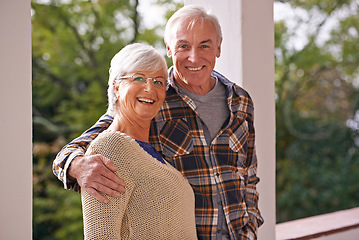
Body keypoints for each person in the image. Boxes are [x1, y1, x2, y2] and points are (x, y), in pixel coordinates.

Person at [53, 5, 263, 240]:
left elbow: (249, 175)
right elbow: (85, 145)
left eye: (204, 45)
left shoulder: (241, 101)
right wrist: (75, 166)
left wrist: (250, 228)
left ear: (218, 48)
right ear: (170, 49)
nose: (194, 57)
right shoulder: (153, 99)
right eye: (184, 46)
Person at [80, 43, 197, 239]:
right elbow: (99, 236)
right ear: (116, 86)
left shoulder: (155, 156)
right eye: (139, 78)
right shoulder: (111, 147)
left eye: (159, 82)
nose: (150, 88)